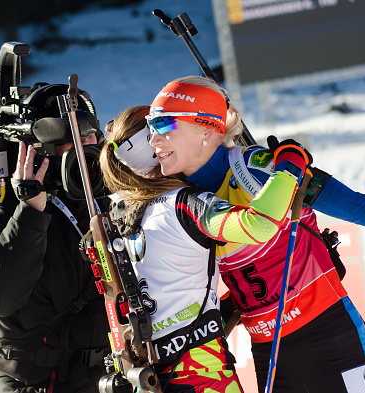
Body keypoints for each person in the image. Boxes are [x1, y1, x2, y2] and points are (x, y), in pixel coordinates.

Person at [145, 75, 365, 393]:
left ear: (207, 128)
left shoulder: (259, 169)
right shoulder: (176, 204)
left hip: (332, 335)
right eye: (150, 127)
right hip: (269, 352)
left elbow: (361, 208)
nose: (153, 139)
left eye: (163, 124)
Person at [99, 105, 308, 392]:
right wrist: (289, 169)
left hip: (158, 373)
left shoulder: (120, 211)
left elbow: (176, 298)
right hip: (204, 376)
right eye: (164, 129)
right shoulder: (184, 203)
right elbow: (258, 225)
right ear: (153, 147)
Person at [0, 86, 111, 393]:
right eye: (77, 137)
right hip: (38, 383)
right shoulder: (7, 210)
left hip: (106, 377)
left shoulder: (102, 200)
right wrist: (30, 212)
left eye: (91, 135)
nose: (89, 146)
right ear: (42, 149)